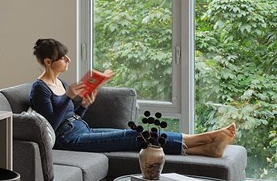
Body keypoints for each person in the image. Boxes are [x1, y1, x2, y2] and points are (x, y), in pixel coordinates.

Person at [29, 38, 236, 158]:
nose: (68, 60)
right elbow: (50, 126)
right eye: (62, 58)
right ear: (48, 62)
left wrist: (83, 105)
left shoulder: (62, 83)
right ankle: (204, 138)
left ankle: (206, 148)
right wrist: (67, 97)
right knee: (133, 137)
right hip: (68, 139)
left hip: (81, 128)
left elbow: (70, 114)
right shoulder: (39, 89)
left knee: (132, 133)